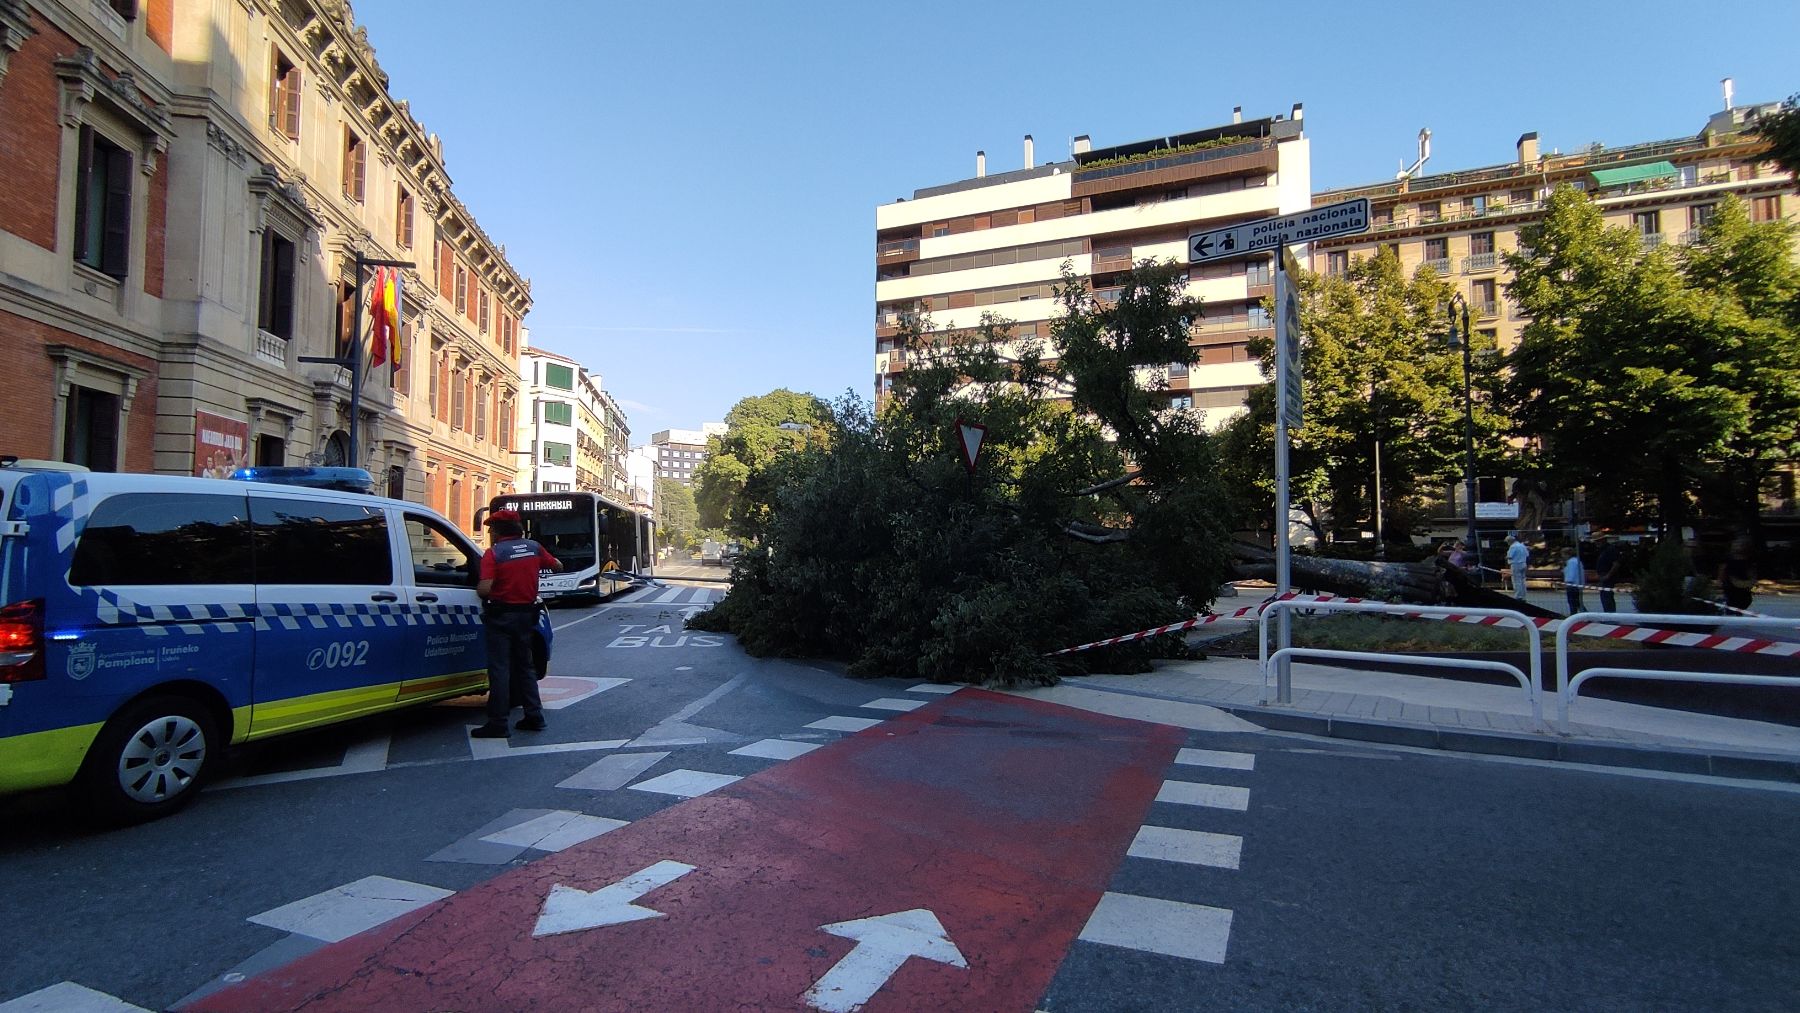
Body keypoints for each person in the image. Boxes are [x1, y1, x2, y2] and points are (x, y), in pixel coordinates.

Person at [472, 510, 560, 738]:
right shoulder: (534, 547)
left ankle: (498, 723)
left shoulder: (495, 553)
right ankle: (534, 716)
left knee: (500, 670)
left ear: (500, 530)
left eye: (492, 528)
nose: (490, 532)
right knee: (525, 668)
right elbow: (557, 565)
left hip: (501, 616)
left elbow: (484, 589)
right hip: (526, 616)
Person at [1718, 537, 1757, 612]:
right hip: (1730, 589)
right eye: (1735, 544)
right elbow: (1721, 571)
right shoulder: (1727, 559)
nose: (1737, 546)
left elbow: (1752, 576)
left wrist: (1752, 587)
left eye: (1740, 545)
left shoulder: (1750, 560)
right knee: (1731, 606)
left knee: (1743, 604)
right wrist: (1720, 581)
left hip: (1744, 590)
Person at [1593, 533, 1622, 613]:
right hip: (1603, 576)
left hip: (1607, 577)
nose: (1596, 543)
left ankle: (1610, 617)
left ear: (1603, 540)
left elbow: (1616, 564)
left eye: (1598, 541)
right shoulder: (1602, 550)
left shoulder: (1610, 549)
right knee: (1605, 597)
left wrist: (1608, 575)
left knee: (1607, 597)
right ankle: (1609, 615)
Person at [1561, 546, 1585, 614]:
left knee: (1573, 603)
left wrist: (1566, 582)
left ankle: (1574, 615)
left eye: (1563, 554)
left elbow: (1570, 575)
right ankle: (1585, 616)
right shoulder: (1577, 561)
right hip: (1578, 585)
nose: (1563, 556)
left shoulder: (1571, 562)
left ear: (1567, 554)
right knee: (1578, 603)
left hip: (1572, 585)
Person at [1505, 535, 1530, 600]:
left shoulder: (1513, 547)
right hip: (1524, 563)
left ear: (1510, 541)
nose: (1508, 543)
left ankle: (1518, 596)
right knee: (1522, 580)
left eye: (1507, 542)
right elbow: (1527, 555)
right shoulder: (1522, 546)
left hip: (1516, 564)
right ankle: (1523, 595)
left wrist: (1506, 557)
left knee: (1516, 581)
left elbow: (1510, 556)